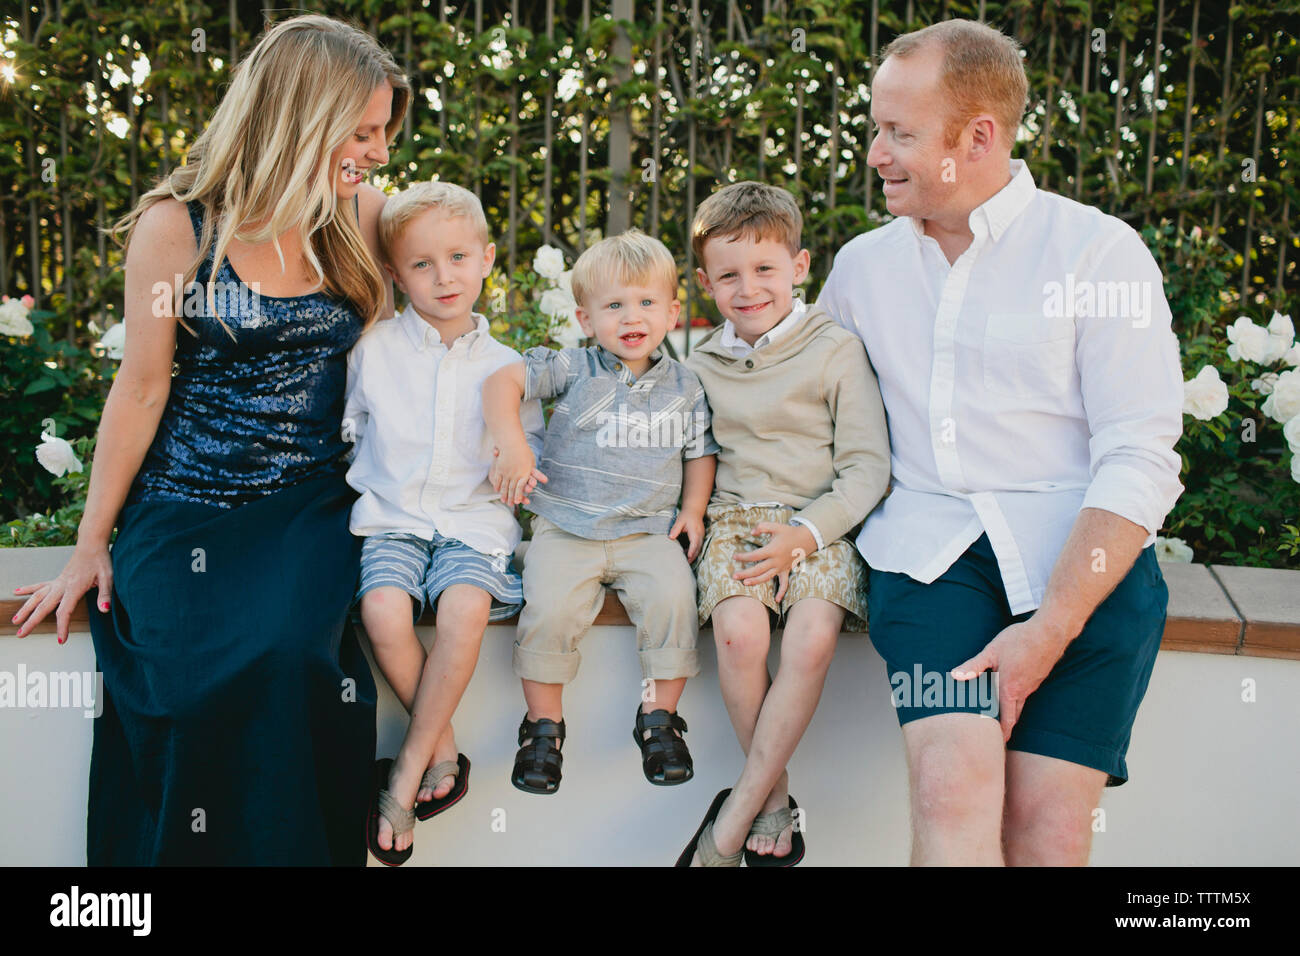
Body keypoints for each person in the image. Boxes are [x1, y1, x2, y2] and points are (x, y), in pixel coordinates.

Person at [10, 14, 410, 865]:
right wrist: (90, 542)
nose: (378, 153)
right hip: (183, 506)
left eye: (383, 135)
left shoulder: (366, 219)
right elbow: (143, 386)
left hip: (307, 502)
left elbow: (438, 341)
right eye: (364, 131)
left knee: (293, 660)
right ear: (302, 115)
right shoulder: (179, 227)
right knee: (178, 688)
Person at [816, 19, 1184, 865]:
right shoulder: (862, 270)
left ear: (978, 136)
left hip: (1088, 570)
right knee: (952, 794)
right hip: (930, 563)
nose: (876, 152)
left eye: (899, 132)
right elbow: (797, 412)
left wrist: (1049, 629)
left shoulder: (1099, 252)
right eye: (877, 128)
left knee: (1048, 837)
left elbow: (1140, 454)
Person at [675, 182, 891, 866]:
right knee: (739, 637)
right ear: (705, 282)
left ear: (799, 268)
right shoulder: (699, 363)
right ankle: (773, 800)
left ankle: (738, 804)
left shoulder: (835, 351)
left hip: (816, 523)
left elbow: (865, 468)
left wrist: (804, 534)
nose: (749, 289)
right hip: (736, 521)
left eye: (765, 269)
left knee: (811, 637)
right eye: (729, 275)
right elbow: (689, 458)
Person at [344, 181, 544, 865]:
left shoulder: (507, 367)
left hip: (473, 524)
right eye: (422, 264)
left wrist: (513, 464)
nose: (443, 277)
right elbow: (350, 434)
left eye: (459, 257)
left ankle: (407, 768)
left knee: (462, 609)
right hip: (394, 518)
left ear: (487, 258)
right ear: (396, 274)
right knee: (382, 612)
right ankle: (445, 746)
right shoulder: (373, 352)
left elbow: (526, 454)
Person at [483, 229, 719, 796]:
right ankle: (544, 728)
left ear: (672, 311)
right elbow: (502, 380)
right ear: (587, 319)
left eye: (645, 302)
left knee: (672, 601)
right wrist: (513, 445)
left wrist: (692, 510)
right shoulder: (574, 368)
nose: (630, 316)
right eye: (613, 305)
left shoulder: (686, 386)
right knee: (550, 609)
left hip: (647, 533)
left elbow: (700, 452)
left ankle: (659, 720)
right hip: (568, 530)